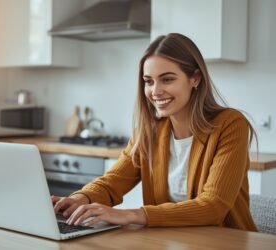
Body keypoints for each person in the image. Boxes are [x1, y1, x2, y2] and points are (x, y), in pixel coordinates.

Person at [52, 33, 258, 231]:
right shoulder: (150, 130)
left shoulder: (231, 125)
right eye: (148, 81)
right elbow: (113, 182)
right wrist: (80, 198)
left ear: (195, 78)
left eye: (167, 79)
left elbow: (213, 205)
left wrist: (131, 215)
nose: (155, 91)